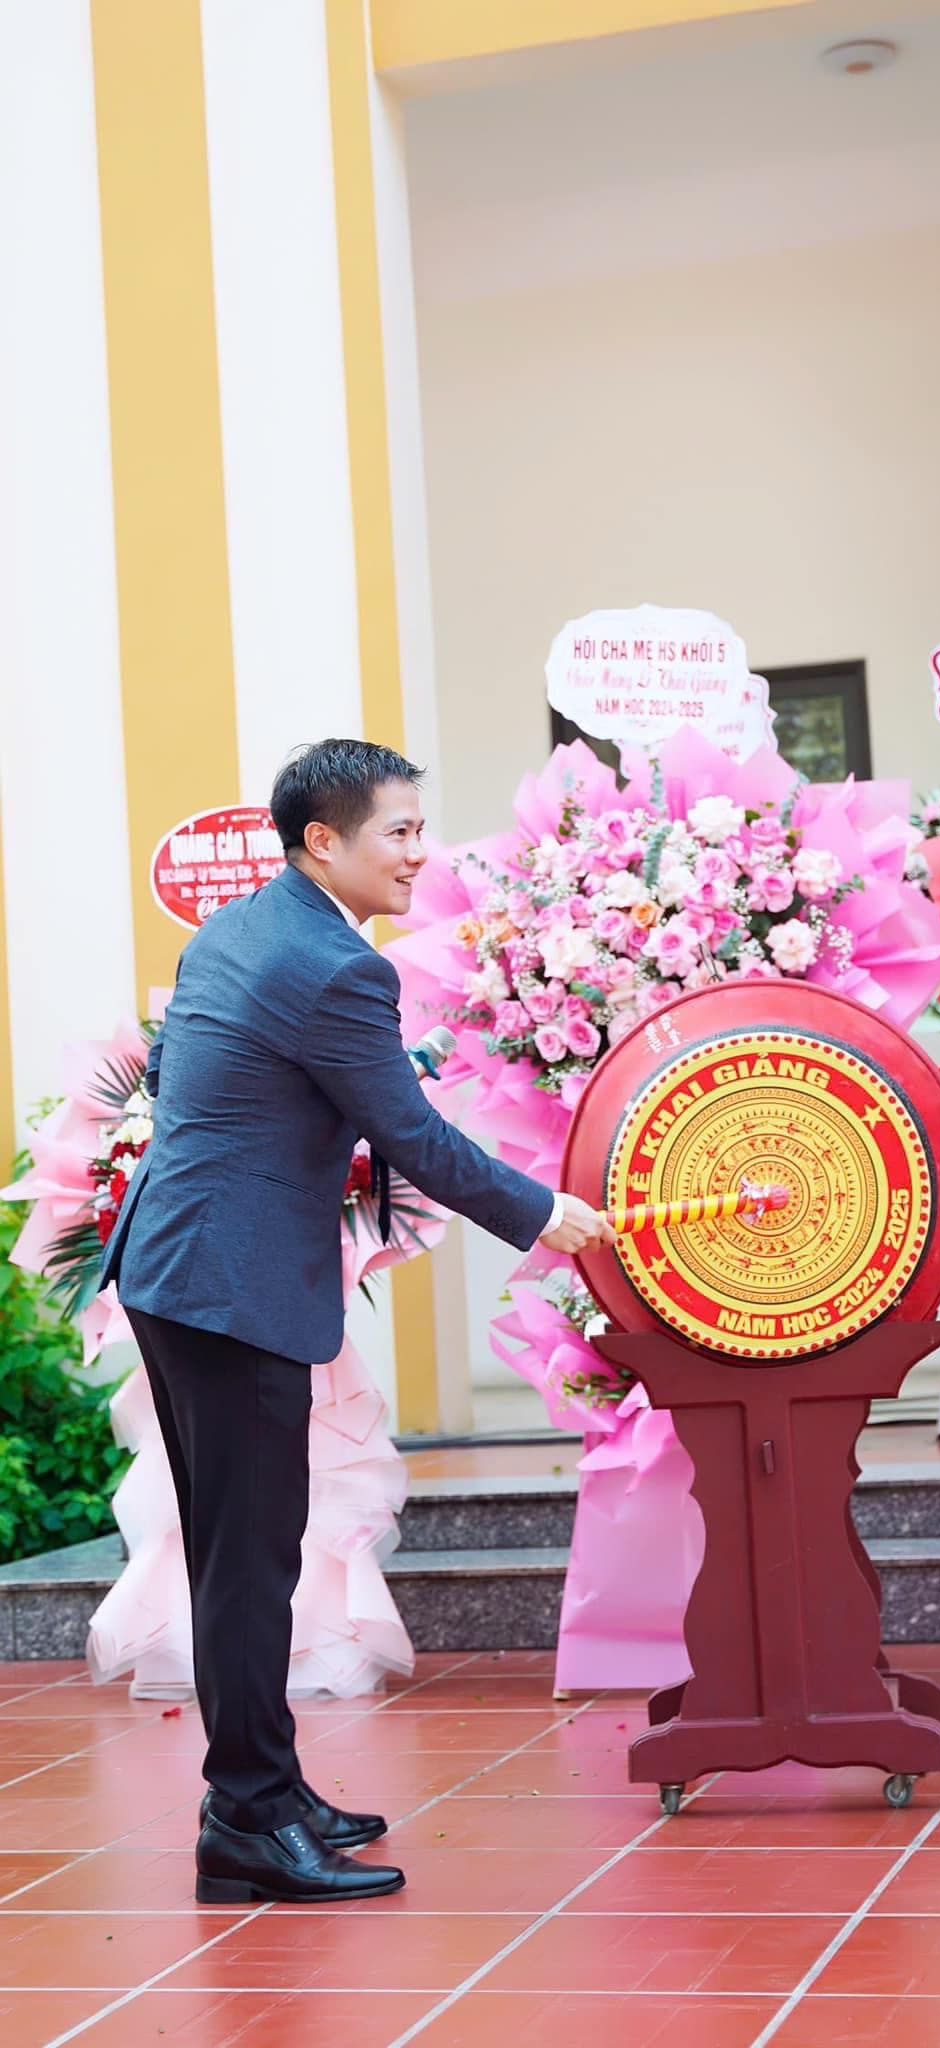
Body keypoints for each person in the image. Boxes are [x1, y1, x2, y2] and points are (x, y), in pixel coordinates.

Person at [101, 739, 613, 1904]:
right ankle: (241, 1820)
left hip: (181, 1270)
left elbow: (193, 1075)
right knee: (247, 1561)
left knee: (247, 1549)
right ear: (320, 840)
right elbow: (413, 1135)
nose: (420, 851)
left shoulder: (241, 926)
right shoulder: (336, 967)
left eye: (422, 827)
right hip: (227, 1289)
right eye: (398, 830)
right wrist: (546, 1213)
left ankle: (270, 1792)